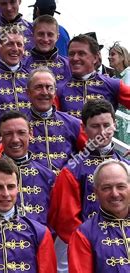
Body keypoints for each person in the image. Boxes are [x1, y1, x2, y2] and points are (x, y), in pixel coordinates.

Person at [48, 99, 130, 272]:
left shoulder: (126, 165)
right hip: (83, 245)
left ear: (115, 125)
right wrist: (92, 243)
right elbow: (66, 220)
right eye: (95, 126)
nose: (102, 132)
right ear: (84, 129)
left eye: (106, 125)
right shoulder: (71, 170)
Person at [0, 111, 56, 227]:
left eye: (21, 133)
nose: (15, 140)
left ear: (30, 133)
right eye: (8, 134)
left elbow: (56, 220)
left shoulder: (48, 176)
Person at [68, 159, 130, 273]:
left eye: (121, 186)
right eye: (106, 188)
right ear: (96, 193)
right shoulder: (84, 234)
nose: (115, 194)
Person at [24, 67, 86, 172]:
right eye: (39, 87)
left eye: (49, 87)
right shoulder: (17, 125)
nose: (44, 92)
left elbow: (90, 155)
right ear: (28, 92)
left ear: (55, 92)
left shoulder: (73, 124)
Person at [56, 34, 130, 118]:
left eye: (81, 53)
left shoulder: (113, 85)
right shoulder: (59, 88)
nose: (75, 58)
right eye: (71, 54)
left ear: (95, 58)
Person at [22, 15, 71, 85]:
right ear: (33, 36)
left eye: (50, 34)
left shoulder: (68, 65)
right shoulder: (22, 64)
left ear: (57, 37)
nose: (45, 39)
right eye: (41, 34)